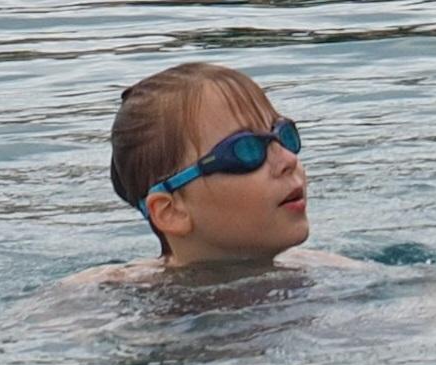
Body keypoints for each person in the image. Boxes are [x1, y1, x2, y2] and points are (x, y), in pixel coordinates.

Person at [108, 59, 312, 270]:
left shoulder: (329, 270)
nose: (289, 160)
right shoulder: (93, 295)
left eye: (285, 136)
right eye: (246, 149)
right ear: (171, 212)